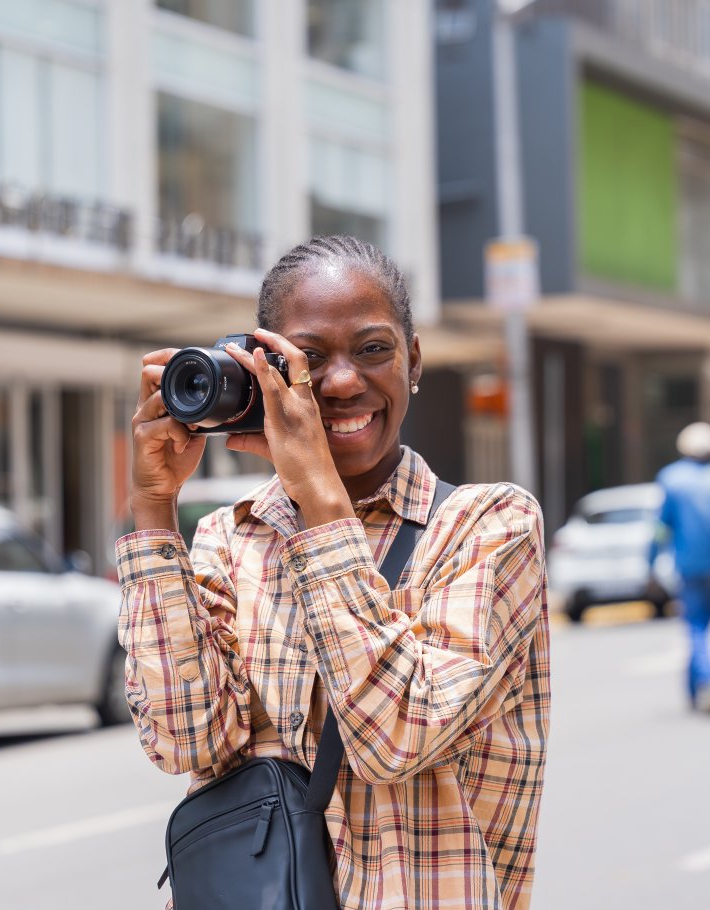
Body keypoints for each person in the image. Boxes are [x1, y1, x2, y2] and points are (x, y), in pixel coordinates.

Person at [118, 236, 551, 909]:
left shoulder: (487, 526)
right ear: (264, 372)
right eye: (310, 358)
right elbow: (184, 739)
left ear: (413, 361)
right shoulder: (228, 539)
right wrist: (152, 509)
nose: (344, 381)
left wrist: (319, 497)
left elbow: (399, 734)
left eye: (373, 349)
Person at [649, 422, 710, 715]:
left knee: (695, 627)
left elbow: (660, 529)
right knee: (702, 625)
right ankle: (696, 691)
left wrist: (651, 564)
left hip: (687, 567)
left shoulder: (671, 479)